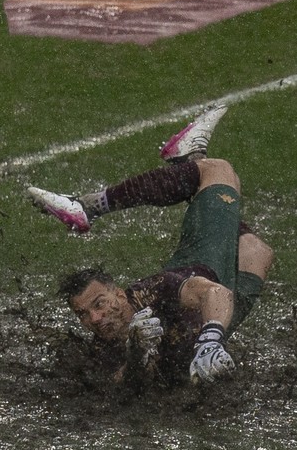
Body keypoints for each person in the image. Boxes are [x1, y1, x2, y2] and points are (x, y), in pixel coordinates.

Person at [27, 105, 274, 386]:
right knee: (256, 251)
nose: (95, 318)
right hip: (208, 322)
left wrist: (211, 340)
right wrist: (135, 354)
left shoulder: (155, 291)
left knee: (218, 171)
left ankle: (87, 207)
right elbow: (122, 388)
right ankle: (189, 161)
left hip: (207, 264)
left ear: (119, 294)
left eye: (99, 304)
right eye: (83, 314)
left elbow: (214, 293)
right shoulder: (101, 349)